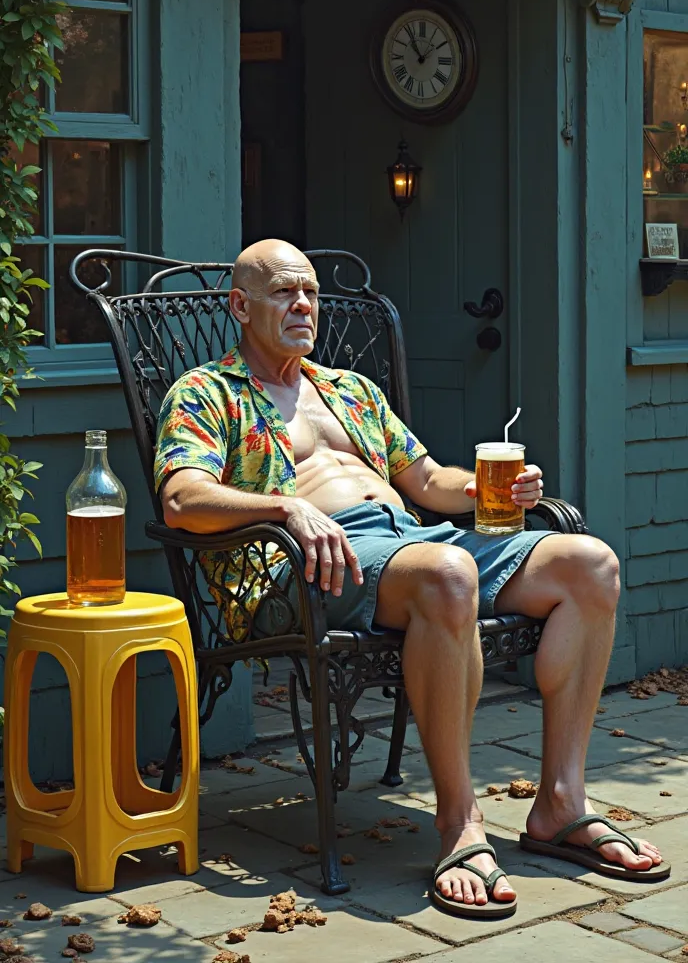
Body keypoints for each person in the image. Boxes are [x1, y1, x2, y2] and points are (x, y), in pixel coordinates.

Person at [154, 239, 669, 919]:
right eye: (284, 292)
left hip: (415, 543)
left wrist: (499, 489)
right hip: (303, 567)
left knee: (589, 564)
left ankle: (561, 804)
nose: (304, 304)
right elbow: (181, 498)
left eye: (310, 291)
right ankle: (461, 825)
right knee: (449, 574)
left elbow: (428, 482)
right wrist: (286, 505)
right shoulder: (208, 391)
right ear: (240, 307)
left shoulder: (350, 391)